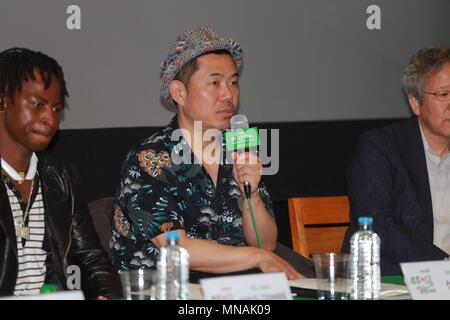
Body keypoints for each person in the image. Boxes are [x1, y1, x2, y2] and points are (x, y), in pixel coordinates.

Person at [111, 26, 313, 279]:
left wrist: (251, 196)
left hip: (231, 290)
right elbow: (177, 249)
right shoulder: (149, 158)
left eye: (233, 83)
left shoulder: (237, 150)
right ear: (179, 93)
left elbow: (265, 245)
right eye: (215, 82)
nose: (229, 94)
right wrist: (258, 257)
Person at [0, 47, 122, 299]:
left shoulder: (59, 175)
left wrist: (106, 294)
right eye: (38, 105)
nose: (50, 119)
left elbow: (91, 258)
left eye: (56, 109)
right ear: (3, 101)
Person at [342, 44, 450, 275]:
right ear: (415, 103)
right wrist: (444, 265)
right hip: (394, 278)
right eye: (443, 94)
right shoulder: (379, 147)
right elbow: (377, 226)